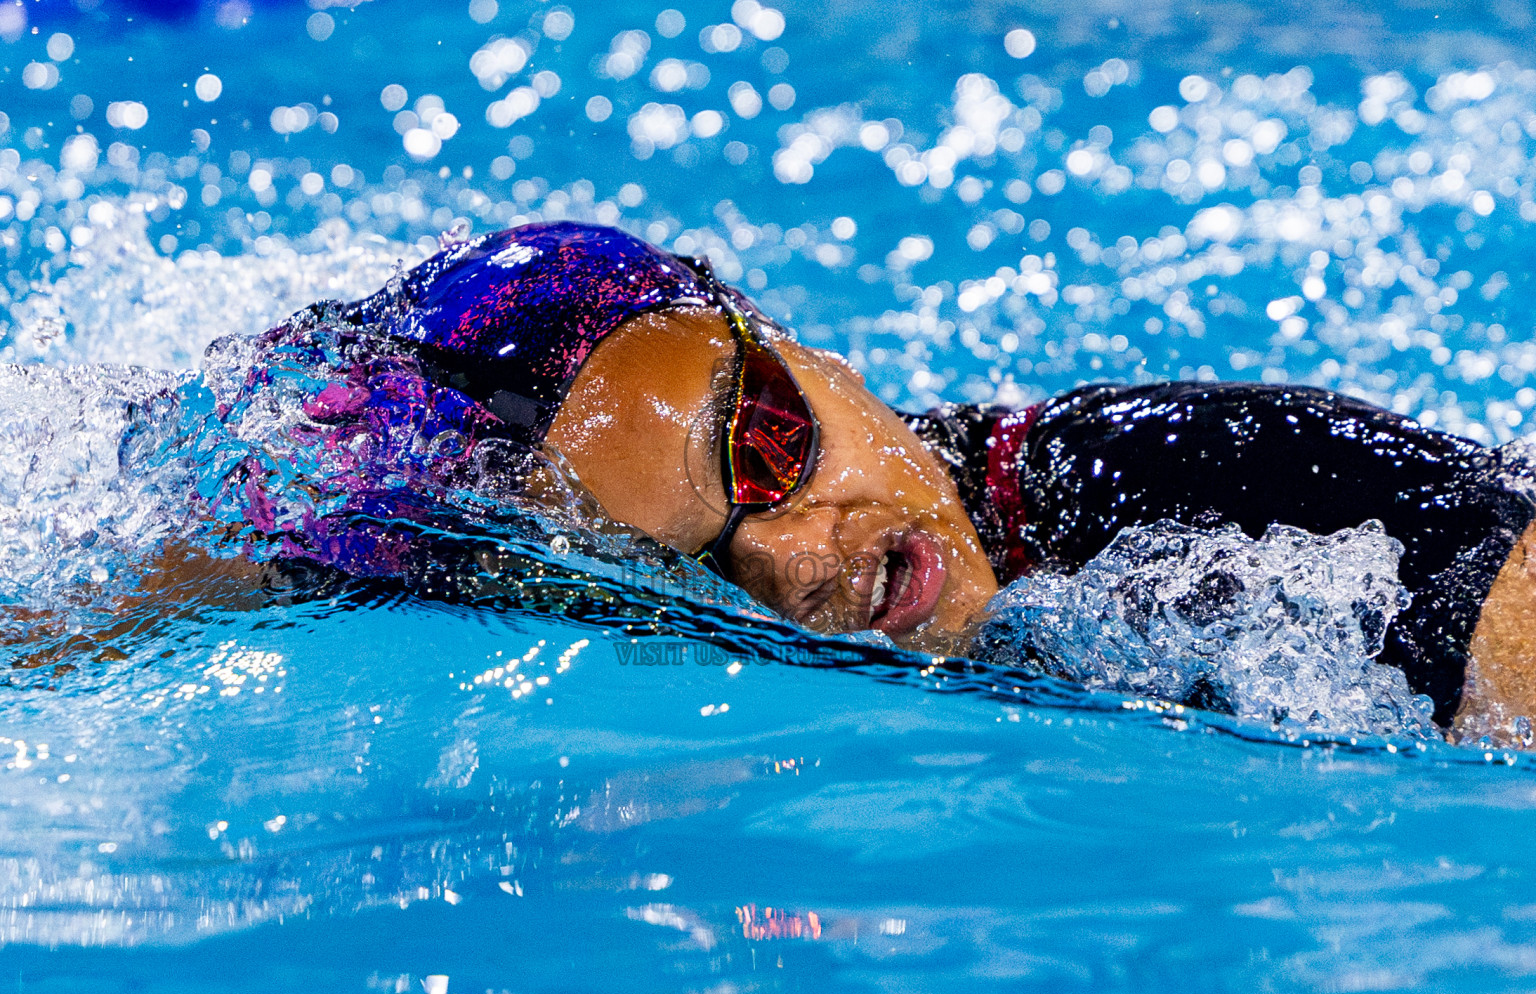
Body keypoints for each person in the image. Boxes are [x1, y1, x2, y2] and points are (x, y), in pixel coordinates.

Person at [148, 222, 1536, 741]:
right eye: (701, 568)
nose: (809, 565)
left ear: (807, 350)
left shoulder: (1187, 490)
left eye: (766, 446)